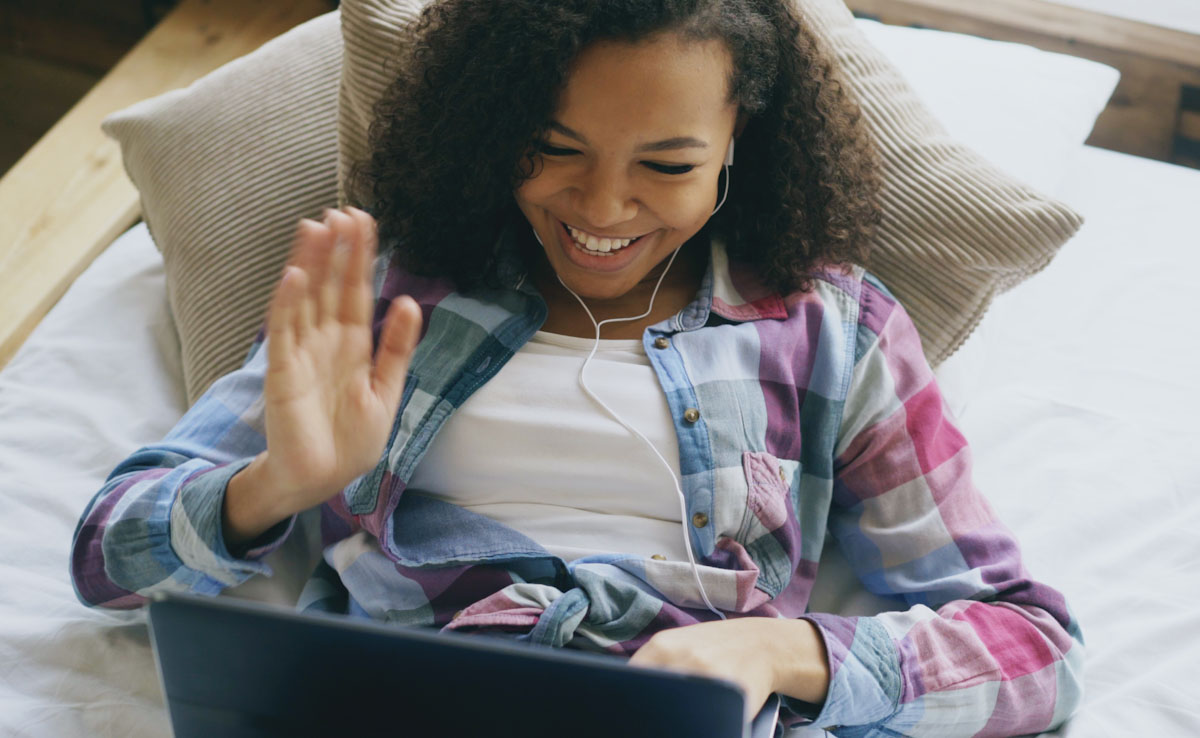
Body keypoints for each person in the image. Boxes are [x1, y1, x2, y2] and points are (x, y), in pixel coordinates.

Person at [71, 0, 1084, 733]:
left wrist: (777, 650)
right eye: (555, 150)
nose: (602, 210)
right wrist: (274, 487)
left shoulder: (835, 331)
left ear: (743, 141)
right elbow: (106, 558)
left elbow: (1033, 650)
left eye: (667, 165)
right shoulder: (388, 296)